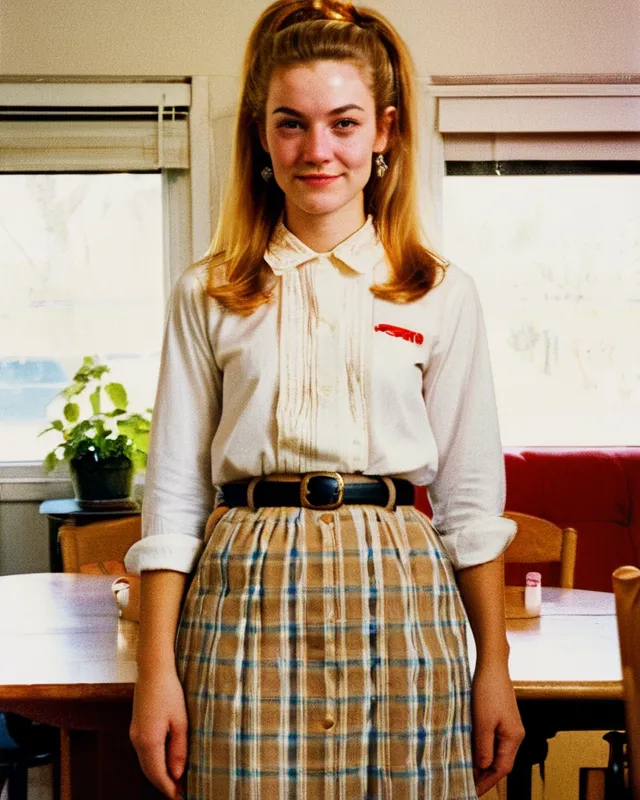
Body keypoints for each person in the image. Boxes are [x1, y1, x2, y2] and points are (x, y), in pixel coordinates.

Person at [125, 1, 525, 797]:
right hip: (245, 594)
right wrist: (154, 673)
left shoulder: (440, 294)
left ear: (382, 132)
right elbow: (172, 500)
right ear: (261, 135)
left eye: (343, 124)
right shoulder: (208, 293)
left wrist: (495, 669)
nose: (318, 152)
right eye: (291, 125)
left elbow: (471, 503)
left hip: (402, 596)